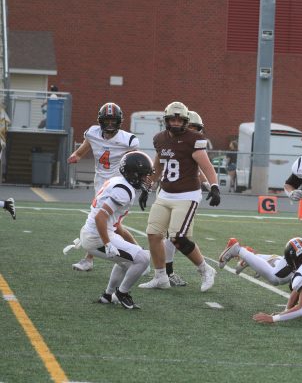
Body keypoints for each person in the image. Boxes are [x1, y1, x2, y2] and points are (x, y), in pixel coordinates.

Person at [139, 101, 220, 291]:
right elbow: (158, 165)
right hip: (165, 193)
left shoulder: (194, 138)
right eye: (172, 119)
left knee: (178, 237)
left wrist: (214, 186)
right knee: (153, 234)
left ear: (185, 120)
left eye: (179, 119)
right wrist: (147, 186)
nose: (175, 123)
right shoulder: (160, 138)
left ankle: (206, 269)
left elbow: (206, 166)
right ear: (166, 120)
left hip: (187, 194)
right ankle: (161, 277)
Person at [66, 102, 140, 271]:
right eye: (107, 120)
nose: (110, 124)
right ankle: (139, 253)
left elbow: (135, 161)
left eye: (113, 120)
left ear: (119, 121)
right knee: (114, 225)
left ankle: (88, 259)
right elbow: (81, 151)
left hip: (117, 184)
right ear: (100, 120)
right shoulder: (92, 133)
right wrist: (74, 156)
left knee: (101, 221)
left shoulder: (127, 139)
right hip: (100, 182)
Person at [79, 151, 153, 309]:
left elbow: (116, 224)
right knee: (144, 259)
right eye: (143, 175)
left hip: (95, 232)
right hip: (96, 236)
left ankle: (108, 295)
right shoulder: (123, 190)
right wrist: (107, 244)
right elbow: (101, 218)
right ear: (133, 174)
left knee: (127, 262)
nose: (146, 179)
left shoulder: (119, 182)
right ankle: (122, 293)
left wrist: (134, 245)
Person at [161, 110, 208, 287]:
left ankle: (165, 271)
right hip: (171, 193)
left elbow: (198, 170)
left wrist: (210, 186)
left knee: (177, 236)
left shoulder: (191, 143)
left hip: (185, 194)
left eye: (197, 129)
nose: (195, 132)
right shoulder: (175, 142)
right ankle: (165, 272)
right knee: (171, 235)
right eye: (192, 128)